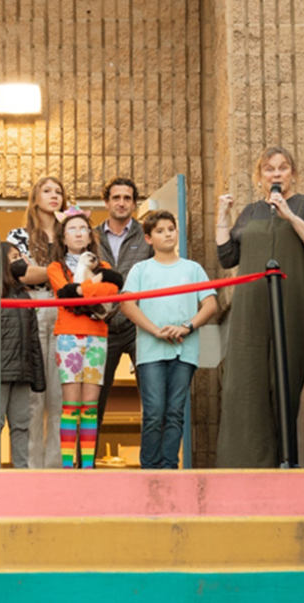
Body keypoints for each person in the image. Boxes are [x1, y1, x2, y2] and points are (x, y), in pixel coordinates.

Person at [214, 146, 304, 468]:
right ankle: (243, 462)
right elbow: (228, 258)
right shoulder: (251, 211)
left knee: (285, 377)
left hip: (292, 298)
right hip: (250, 304)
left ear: (292, 174)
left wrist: (290, 216)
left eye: (282, 168)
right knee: (244, 380)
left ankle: (283, 459)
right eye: (269, 169)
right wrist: (221, 218)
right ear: (259, 177)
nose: (276, 174)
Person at [120, 211, 218, 469]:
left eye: (171, 229)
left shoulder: (192, 268)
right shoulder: (141, 269)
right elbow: (127, 305)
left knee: (175, 412)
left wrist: (187, 327)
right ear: (148, 238)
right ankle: (149, 468)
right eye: (160, 231)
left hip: (184, 352)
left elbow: (210, 304)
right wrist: (154, 330)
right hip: (151, 352)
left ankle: (169, 467)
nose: (167, 234)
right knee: (153, 413)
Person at [47, 206, 123, 469]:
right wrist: (92, 286)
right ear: (63, 237)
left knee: (90, 406)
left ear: (91, 236)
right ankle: (69, 467)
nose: (78, 234)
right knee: (70, 405)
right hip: (68, 337)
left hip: (97, 337)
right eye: (72, 229)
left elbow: (110, 292)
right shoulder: (55, 267)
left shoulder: (105, 266)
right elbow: (65, 293)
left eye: (83, 229)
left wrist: (82, 290)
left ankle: (88, 465)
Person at [6, 176, 67, 468]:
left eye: (59, 192)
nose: (54, 196)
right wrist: (60, 273)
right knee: (33, 399)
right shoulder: (18, 235)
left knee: (61, 397)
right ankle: (29, 469)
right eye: (47, 191)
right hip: (32, 315)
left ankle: (56, 469)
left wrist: (45, 272)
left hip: (67, 315)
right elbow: (22, 275)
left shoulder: (72, 233)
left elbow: (81, 274)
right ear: (35, 198)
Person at [0, 242, 46, 469]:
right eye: (14, 256)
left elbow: (34, 338)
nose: (21, 261)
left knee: (22, 423)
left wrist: (36, 375)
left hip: (22, 370)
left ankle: (21, 472)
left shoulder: (24, 295)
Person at [94, 177, 154, 431]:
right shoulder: (92, 236)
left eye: (127, 198)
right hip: (101, 328)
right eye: (116, 197)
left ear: (134, 203)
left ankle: (152, 466)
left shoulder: (148, 235)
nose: (121, 203)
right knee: (93, 403)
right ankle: (85, 467)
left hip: (137, 327)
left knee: (152, 399)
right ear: (106, 202)